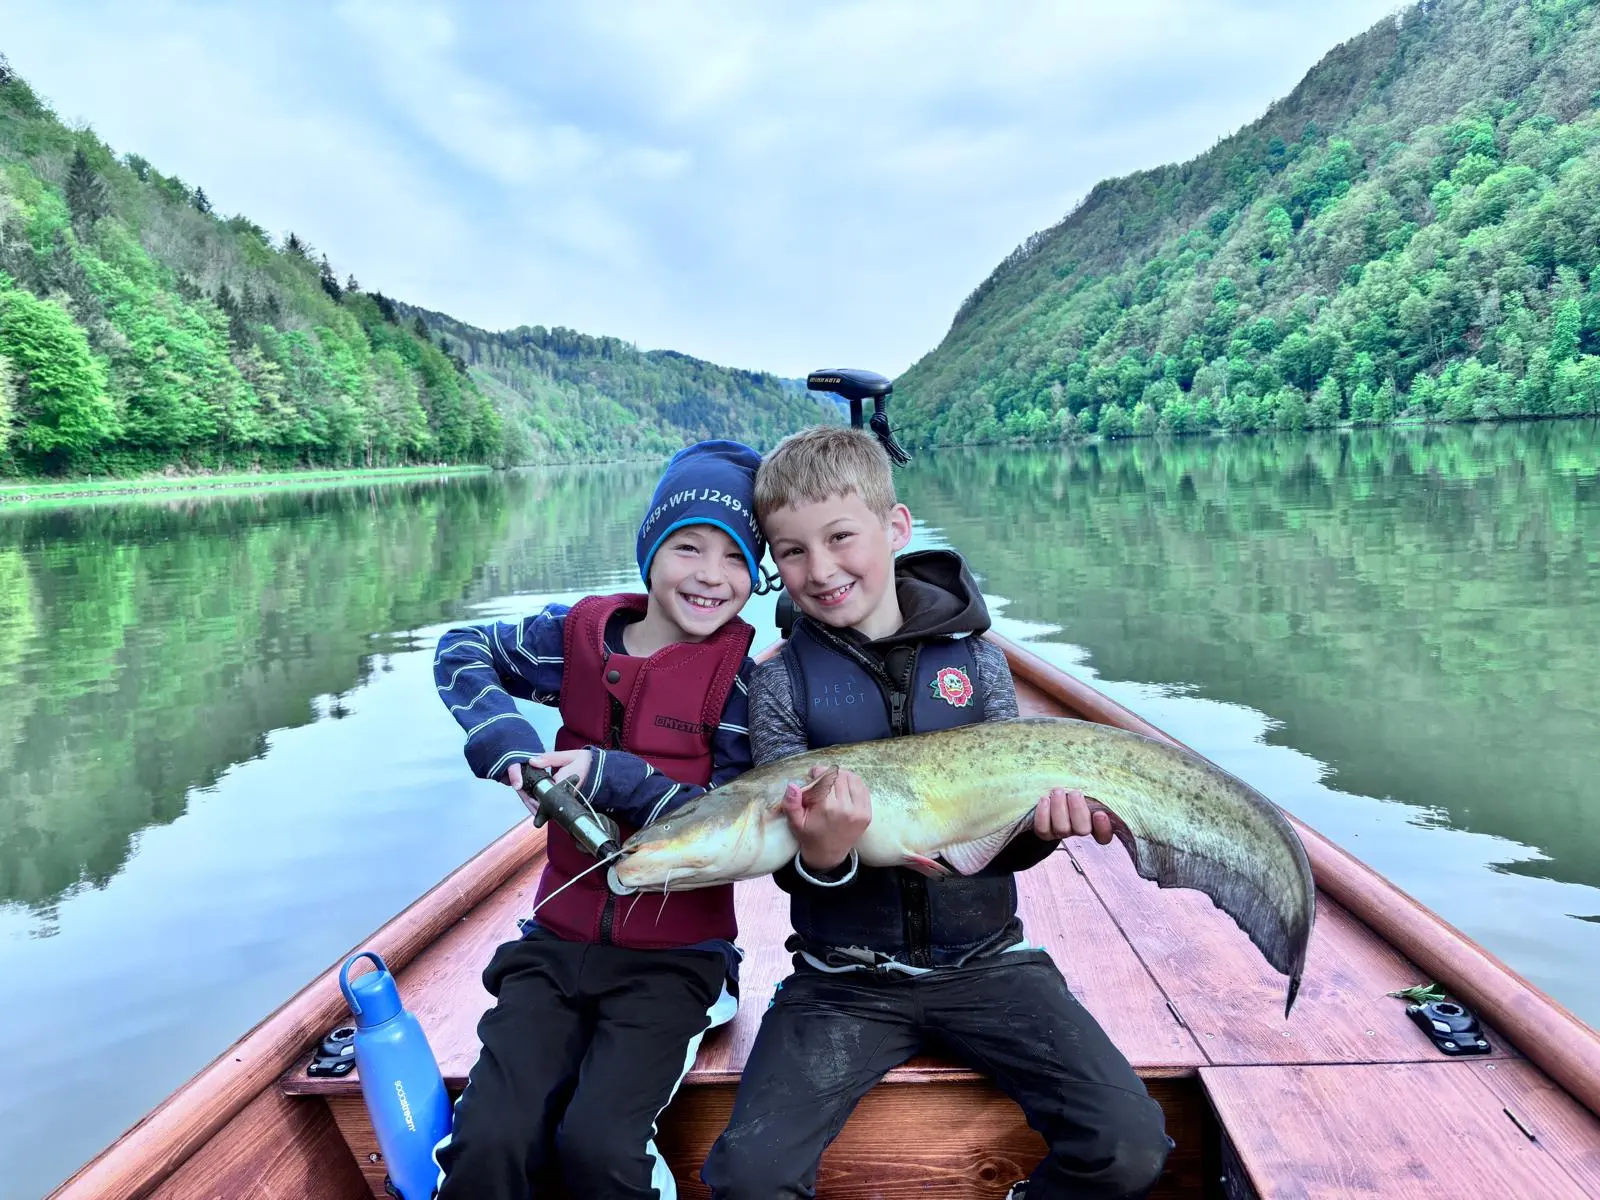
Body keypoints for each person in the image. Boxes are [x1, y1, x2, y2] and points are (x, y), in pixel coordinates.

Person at [700, 425, 1172, 1200]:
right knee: (747, 1177)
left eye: (841, 537)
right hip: (840, 979)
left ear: (896, 529)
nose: (819, 570)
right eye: (790, 552)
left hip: (990, 961)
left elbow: (1001, 841)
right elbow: (791, 870)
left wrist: (1040, 833)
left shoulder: (980, 662)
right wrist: (824, 855)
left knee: (1127, 1145)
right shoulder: (779, 684)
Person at [431, 440, 766, 1200]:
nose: (711, 575)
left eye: (736, 558)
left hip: (678, 962)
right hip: (552, 949)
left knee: (598, 1149)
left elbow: (735, 818)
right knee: (489, 1140)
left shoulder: (744, 685)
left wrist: (613, 774)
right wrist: (507, 744)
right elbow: (461, 649)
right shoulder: (572, 637)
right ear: (650, 548)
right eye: (688, 547)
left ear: (756, 576)